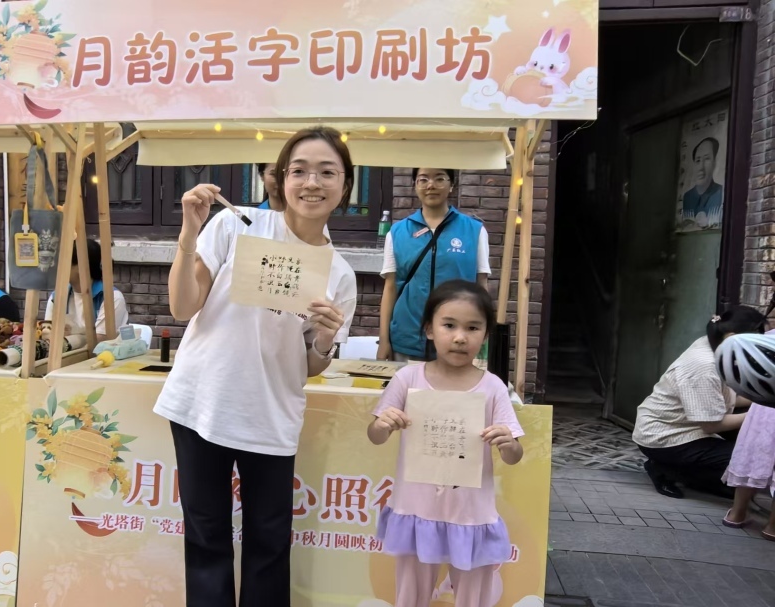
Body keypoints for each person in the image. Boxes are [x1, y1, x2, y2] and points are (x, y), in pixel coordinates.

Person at [154, 126, 358, 607]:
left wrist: (325, 338)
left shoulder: (340, 274)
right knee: (206, 536)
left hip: (271, 414)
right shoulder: (237, 226)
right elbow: (183, 306)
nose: (312, 183)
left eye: (327, 172)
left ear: (345, 185)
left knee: (270, 541)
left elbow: (309, 366)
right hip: (201, 402)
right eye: (299, 170)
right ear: (282, 179)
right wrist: (188, 234)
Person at [368, 279, 523, 607]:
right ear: (429, 329)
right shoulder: (408, 379)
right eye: (449, 325)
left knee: (472, 597)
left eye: (473, 327)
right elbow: (376, 435)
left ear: (485, 335)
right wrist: (382, 424)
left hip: (470, 513)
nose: (460, 337)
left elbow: (513, 455)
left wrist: (508, 443)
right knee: (410, 595)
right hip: (417, 509)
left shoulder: (493, 387)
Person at [632, 305, 765, 499]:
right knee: (747, 461)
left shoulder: (714, 343)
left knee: (750, 458)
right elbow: (711, 425)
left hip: (690, 423)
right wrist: (758, 414)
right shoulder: (705, 366)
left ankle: (694, 472)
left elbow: (728, 398)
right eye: (755, 340)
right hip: (664, 436)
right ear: (732, 337)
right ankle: (665, 468)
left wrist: (764, 401)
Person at [378, 168, 490, 361]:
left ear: (452, 185)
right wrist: (383, 341)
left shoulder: (474, 231)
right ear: (415, 185)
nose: (431, 185)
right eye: (423, 179)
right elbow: (390, 288)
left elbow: (482, 285)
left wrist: (483, 339)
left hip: (458, 340)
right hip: (407, 339)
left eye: (439, 178)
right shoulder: (397, 232)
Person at [716, 331, 775, 539]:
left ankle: (737, 514)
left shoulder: (768, 337)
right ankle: (773, 527)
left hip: (765, 406)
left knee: (753, 456)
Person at [44, 238, 128, 342]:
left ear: (81, 267)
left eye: (62, 263)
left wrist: (66, 337)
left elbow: (99, 340)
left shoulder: (111, 298)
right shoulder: (57, 297)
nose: (55, 268)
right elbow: (47, 333)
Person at [681, 137, 724, 223]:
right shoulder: (687, 197)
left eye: (707, 159)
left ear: (714, 162)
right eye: (698, 161)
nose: (701, 167)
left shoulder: (721, 193)